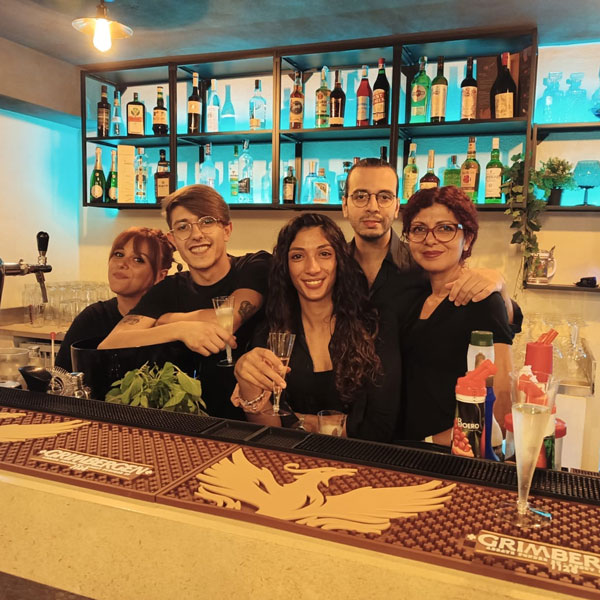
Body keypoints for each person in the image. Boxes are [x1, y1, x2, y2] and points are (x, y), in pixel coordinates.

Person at [99, 184, 270, 419]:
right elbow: (110, 344)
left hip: (252, 421)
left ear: (227, 230)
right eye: (183, 227)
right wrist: (180, 330)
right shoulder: (168, 289)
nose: (196, 234)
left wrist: (165, 320)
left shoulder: (255, 266)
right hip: (185, 422)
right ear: (173, 240)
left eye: (207, 222)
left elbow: (226, 321)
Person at [231, 213, 401, 443]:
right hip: (292, 458)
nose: (312, 268)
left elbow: (379, 428)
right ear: (286, 266)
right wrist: (248, 383)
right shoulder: (270, 332)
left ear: (339, 261)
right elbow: (269, 435)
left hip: (361, 459)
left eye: (324, 254)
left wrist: (297, 421)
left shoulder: (376, 325)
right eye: (298, 256)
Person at [342, 157, 520, 327]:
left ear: (396, 206)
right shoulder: (334, 265)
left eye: (384, 197)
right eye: (360, 196)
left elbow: (498, 321)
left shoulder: (425, 261)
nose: (372, 207)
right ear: (345, 206)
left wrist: (501, 288)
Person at [398, 186, 514, 445]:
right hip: (404, 447)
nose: (430, 240)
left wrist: (434, 441)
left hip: (453, 451)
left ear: (468, 238)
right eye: (418, 229)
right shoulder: (413, 296)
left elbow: (500, 403)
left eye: (445, 228)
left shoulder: (483, 301)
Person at [55, 227, 173, 372]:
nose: (122, 264)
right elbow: (60, 376)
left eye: (138, 260)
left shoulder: (171, 320)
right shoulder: (92, 318)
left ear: (160, 276)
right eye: (119, 254)